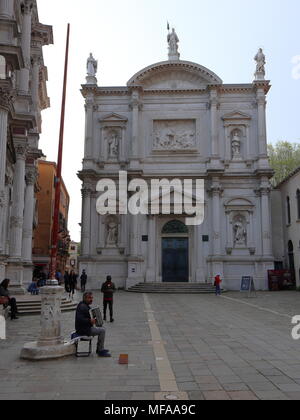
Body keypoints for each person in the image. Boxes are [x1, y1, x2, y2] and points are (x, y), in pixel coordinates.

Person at [75, 291, 111, 357]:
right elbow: (79, 319)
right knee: (102, 331)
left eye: (92, 298)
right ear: (84, 298)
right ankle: (100, 351)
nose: (91, 299)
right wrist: (90, 321)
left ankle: (100, 349)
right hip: (84, 330)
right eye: (89, 298)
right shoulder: (82, 307)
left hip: (85, 328)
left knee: (102, 328)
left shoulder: (84, 305)